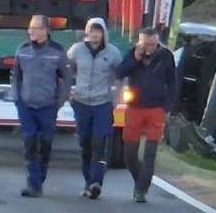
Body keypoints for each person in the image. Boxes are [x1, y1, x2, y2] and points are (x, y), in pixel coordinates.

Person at [11, 15, 73, 198]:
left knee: (45, 144)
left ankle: (40, 177)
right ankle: (33, 183)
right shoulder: (22, 50)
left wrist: (59, 101)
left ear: (46, 30)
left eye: (36, 28)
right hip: (26, 105)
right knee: (29, 143)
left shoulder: (56, 51)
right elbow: (16, 76)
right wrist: (17, 98)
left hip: (48, 105)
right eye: (30, 28)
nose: (31, 31)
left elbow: (67, 78)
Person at [115, 27, 177, 203]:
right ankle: (139, 179)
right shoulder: (133, 54)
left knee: (150, 151)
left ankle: (142, 190)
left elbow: (173, 82)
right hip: (134, 107)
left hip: (156, 107)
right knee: (129, 152)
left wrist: (168, 106)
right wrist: (135, 58)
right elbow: (119, 73)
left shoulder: (166, 56)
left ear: (157, 42)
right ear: (140, 42)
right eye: (145, 44)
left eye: (152, 44)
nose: (149, 47)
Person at [67, 17, 122, 200]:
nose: (95, 34)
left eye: (98, 31)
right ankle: (87, 182)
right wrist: (70, 91)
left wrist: (116, 97)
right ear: (87, 32)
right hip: (81, 102)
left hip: (102, 103)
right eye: (92, 31)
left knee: (99, 143)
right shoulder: (77, 50)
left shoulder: (113, 53)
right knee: (85, 143)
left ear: (103, 33)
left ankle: (96, 182)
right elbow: (68, 70)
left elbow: (119, 76)